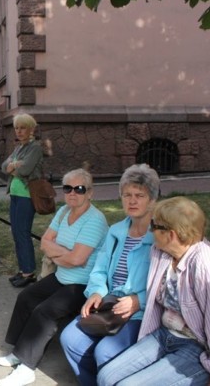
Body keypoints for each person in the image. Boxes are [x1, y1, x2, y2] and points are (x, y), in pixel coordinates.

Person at [97, 196, 210, 386]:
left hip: (200, 346)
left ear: (171, 234)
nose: (150, 230)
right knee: (105, 376)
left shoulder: (207, 265)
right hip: (166, 334)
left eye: (154, 226)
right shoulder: (161, 252)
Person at [0, 168, 108, 386]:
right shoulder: (64, 211)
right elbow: (45, 242)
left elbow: (78, 260)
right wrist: (63, 254)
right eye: (68, 188)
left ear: (90, 193)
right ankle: (18, 351)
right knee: (26, 296)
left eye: (79, 189)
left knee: (44, 311)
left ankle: (27, 368)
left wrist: (58, 253)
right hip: (63, 275)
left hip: (82, 283)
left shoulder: (95, 219)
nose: (73, 193)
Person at [60, 164, 161, 386]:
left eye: (139, 195)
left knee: (106, 351)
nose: (132, 201)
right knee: (70, 339)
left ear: (152, 200)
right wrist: (96, 291)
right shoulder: (116, 231)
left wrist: (138, 301)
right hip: (109, 303)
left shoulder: (160, 236)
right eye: (127, 195)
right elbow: (100, 268)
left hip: (140, 313)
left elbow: (166, 282)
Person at [0, 113, 45, 288]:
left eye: (23, 127)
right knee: (16, 233)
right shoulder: (19, 148)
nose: (19, 131)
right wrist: (12, 166)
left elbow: (25, 170)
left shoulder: (35, 148)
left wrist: (14, 166)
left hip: (27, 196)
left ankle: (29, 273)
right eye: (17, 128)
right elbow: (4, 166)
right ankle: (23, 269)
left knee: (23, 233)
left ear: (31, 129)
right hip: (15, 195)